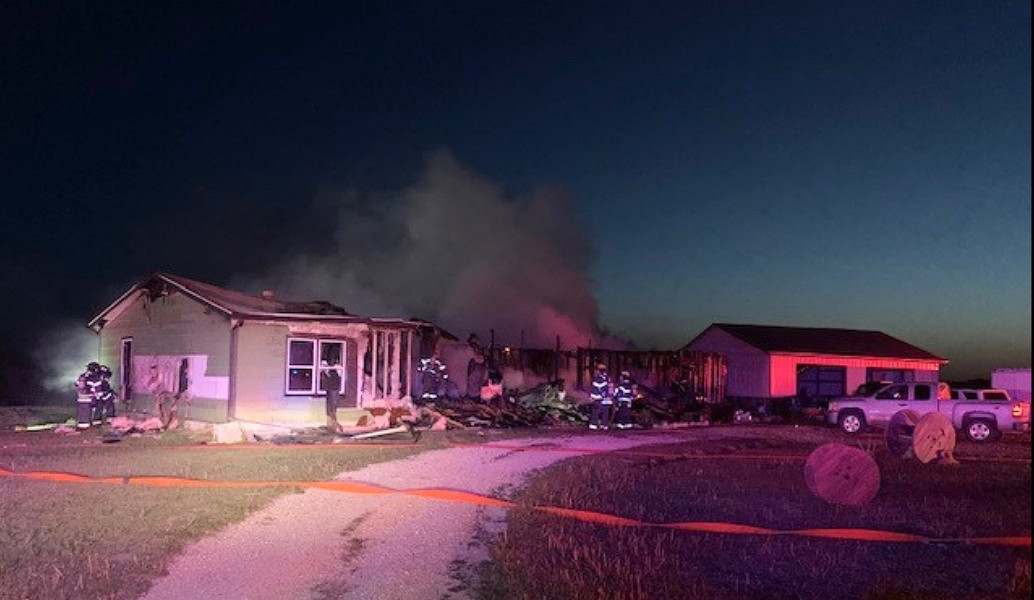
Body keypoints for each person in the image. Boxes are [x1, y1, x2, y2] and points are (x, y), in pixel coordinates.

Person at [320, 359, 343, 432]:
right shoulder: (324, 373)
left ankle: (333, 424)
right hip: (330, 391)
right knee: (330, 408)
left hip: (334, 389)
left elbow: (339, 377)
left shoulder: (333, 372)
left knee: (333, 407)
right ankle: (331, 424)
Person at [588, 362, 613, 430]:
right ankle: (604, 425)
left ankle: (594, 424)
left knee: (596, 412)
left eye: (596, 370)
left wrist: (592, 397)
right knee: (605, 412)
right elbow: (610, 389)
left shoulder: (597, 378)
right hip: (607, 399)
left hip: (599, 398)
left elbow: (594, 389)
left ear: (599, 370)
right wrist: (610, 397)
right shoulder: (608, 378)